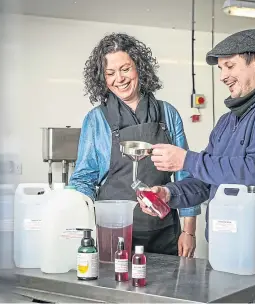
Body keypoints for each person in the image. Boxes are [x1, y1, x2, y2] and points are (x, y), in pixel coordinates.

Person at [144, 29, 255, 302]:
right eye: (221, 68)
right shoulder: (227, 122)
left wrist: (186, 159)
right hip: (227, 255)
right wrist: (169, 194)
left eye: (230, 66)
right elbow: (205, 179)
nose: (222, 75)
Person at [69, 33, 201, 257]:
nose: (119, 79)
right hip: (113, 232)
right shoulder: (96, 119)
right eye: (110, 73)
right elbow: (83, 180)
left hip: (164, 231)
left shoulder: (167, 113)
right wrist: (72, 220)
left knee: (166, 291)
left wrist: (189, 232)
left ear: (139, 67)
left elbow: (185, 175)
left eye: (125, 69)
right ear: (103, 79)